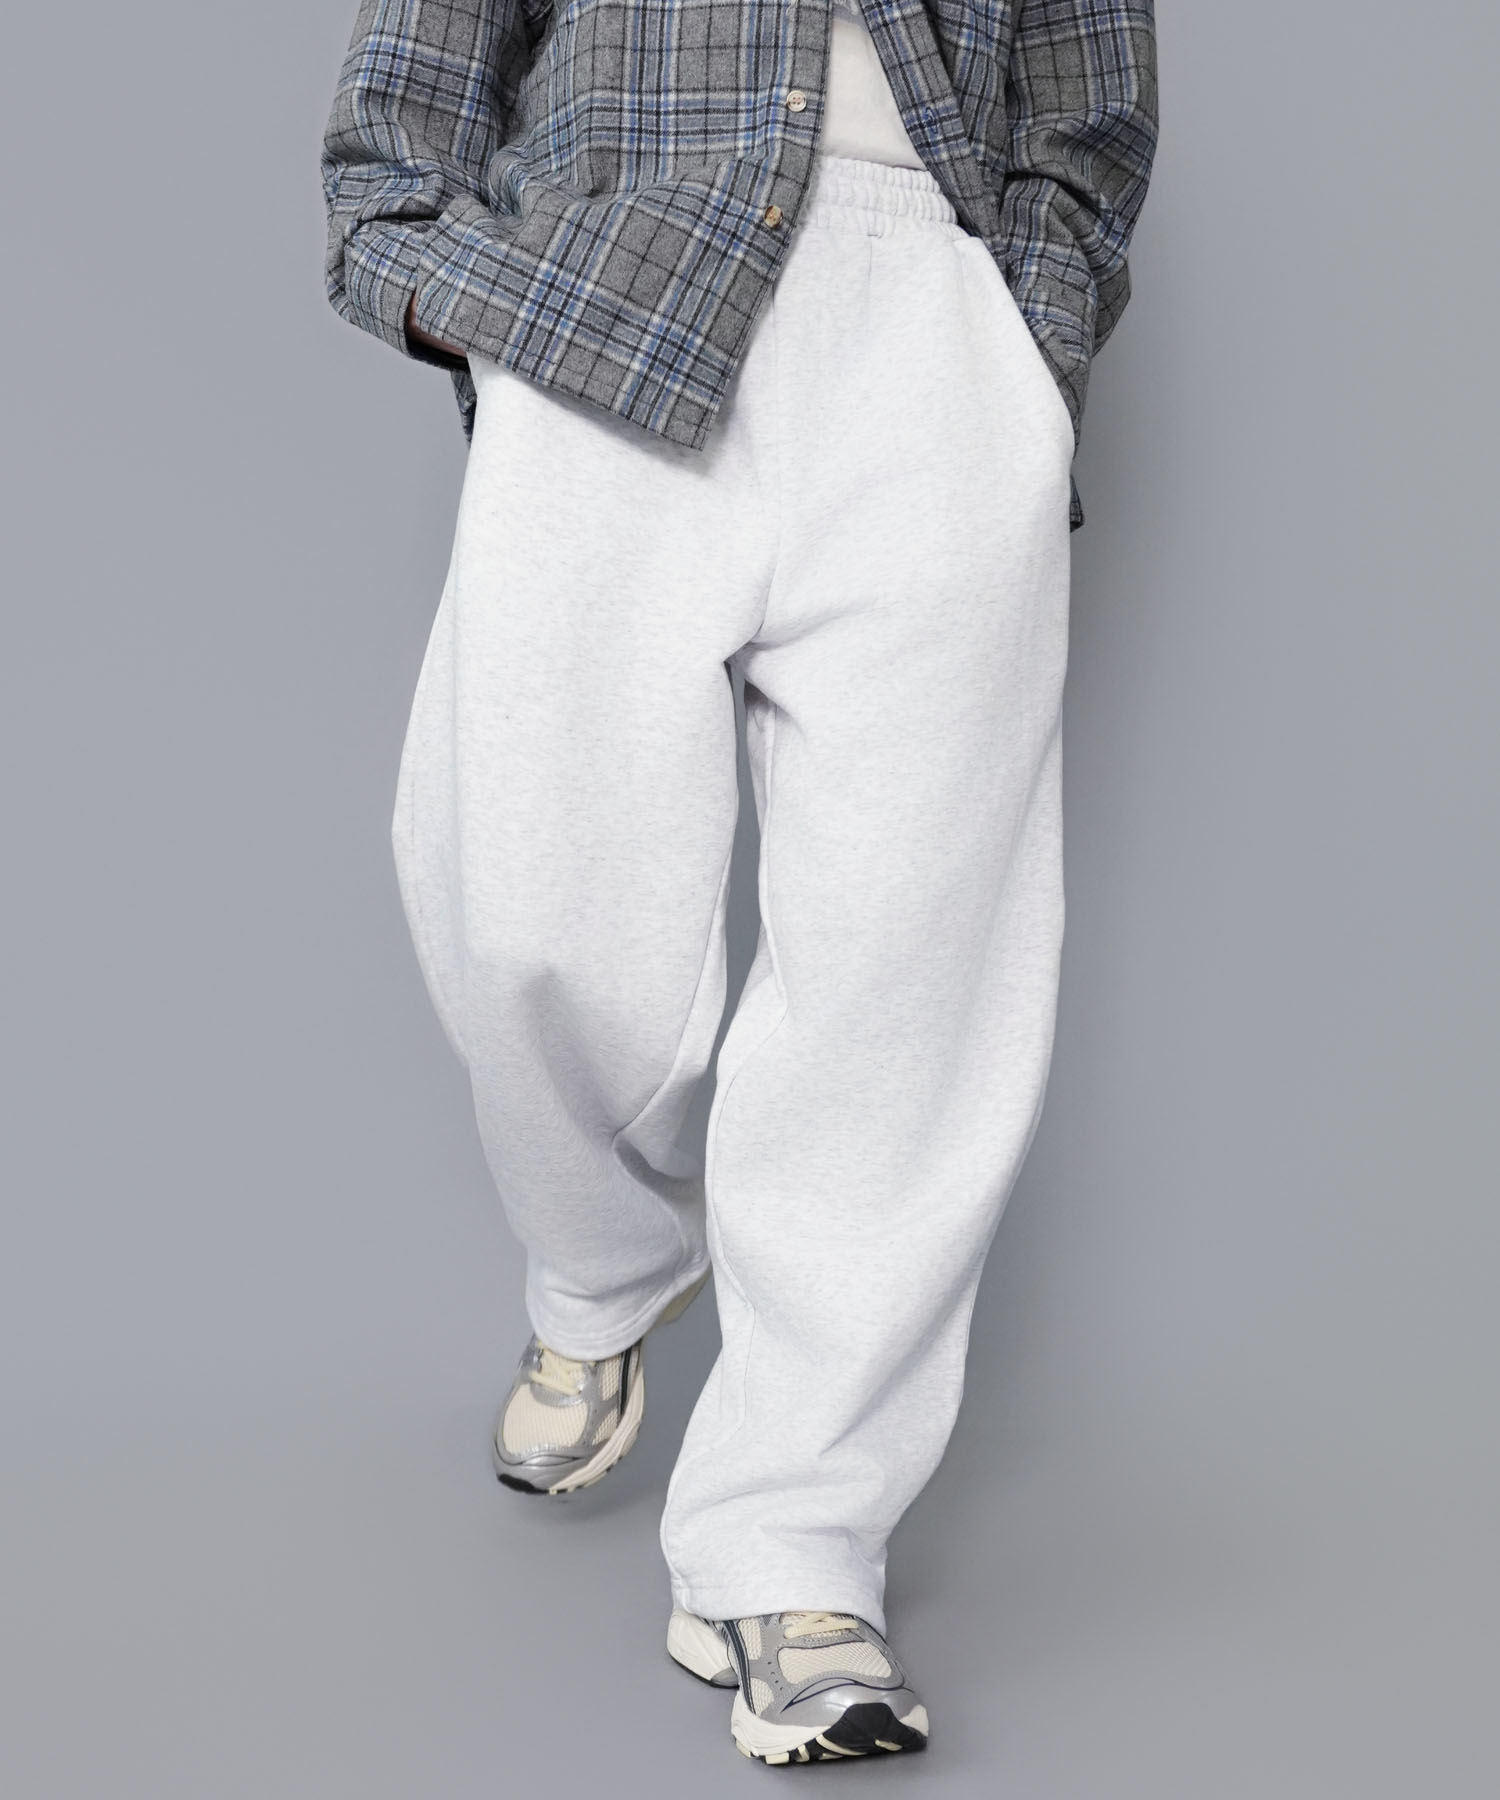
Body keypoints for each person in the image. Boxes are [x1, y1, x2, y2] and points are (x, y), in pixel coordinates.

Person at [321, 0, 1157, 1766]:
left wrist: (1021, 343)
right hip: (612, 295)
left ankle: (793, 1550)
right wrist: (461, 296)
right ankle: (605, 1264)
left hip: (934, 340)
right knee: (530, 915)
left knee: (907, 980)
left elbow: (1087, 101)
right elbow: (403, 99)